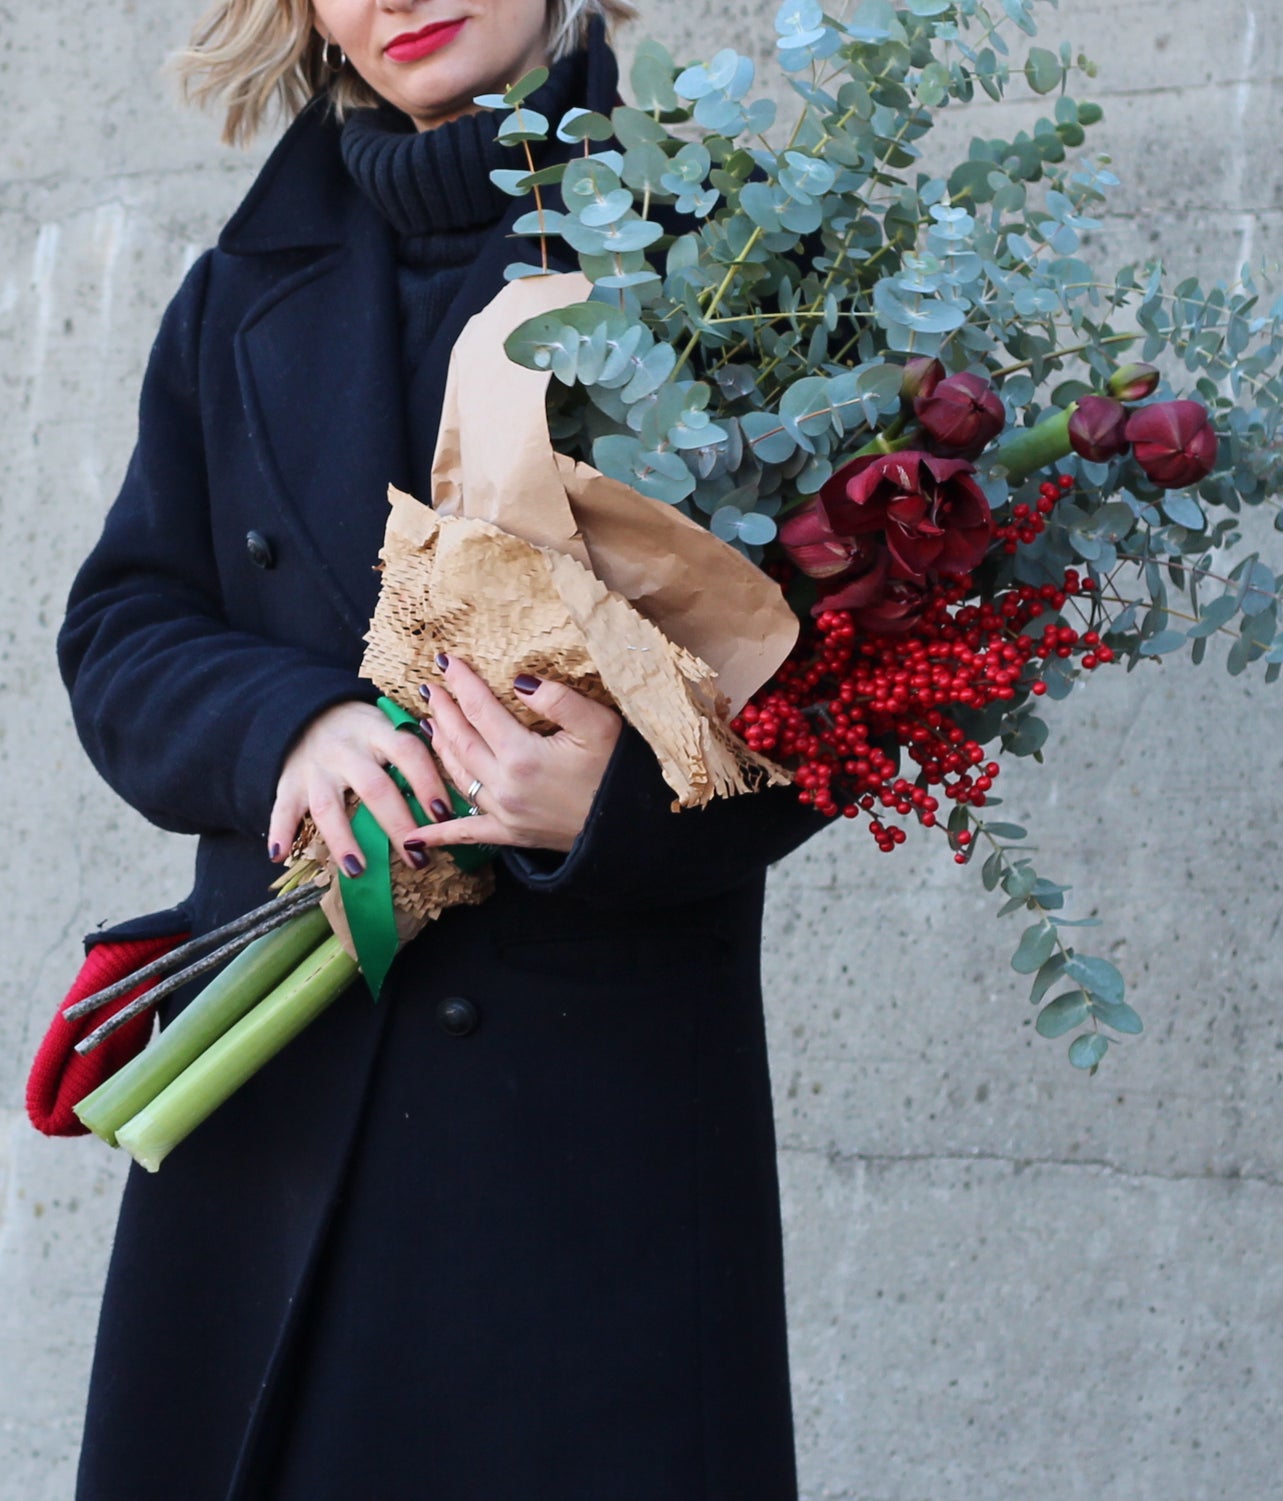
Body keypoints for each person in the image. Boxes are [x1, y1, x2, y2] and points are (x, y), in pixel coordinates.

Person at [57, 2, 827, 1496]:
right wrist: (291, 724)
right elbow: (123, 625)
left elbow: (853, 690)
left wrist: (617, 804)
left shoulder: (721, 258)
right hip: (271, 1130)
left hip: (577, 1157)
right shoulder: (241, 290)